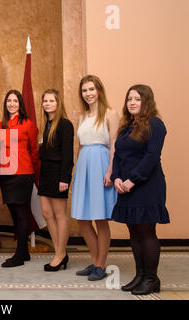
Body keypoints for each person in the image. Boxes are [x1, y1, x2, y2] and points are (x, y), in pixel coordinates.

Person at [110, 85, 169, 295]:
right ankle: (140, 275)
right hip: (125, 186)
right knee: (133, 232)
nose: (132, 102)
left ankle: (151, 279)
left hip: (147, 186)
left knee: (146, 232)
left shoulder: (155, 124)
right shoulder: (127, 127)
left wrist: (132, 180)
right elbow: (118, 155)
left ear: (147, 101)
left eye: (137, 99)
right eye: (129, 99)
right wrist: (116, 177)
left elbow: (151, 157)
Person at [71, 75, 119, 281]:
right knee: (82, 220)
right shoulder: (82, 117)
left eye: (91, 89)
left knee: (100, 218)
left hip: (101, 164)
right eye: (84, 90)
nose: (88, 93)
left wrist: (110, 171)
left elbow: (115, 145)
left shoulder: (110, 113)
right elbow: (79, 146)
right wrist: (76, 174)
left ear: (99, 90)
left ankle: (101, 264)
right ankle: (96, 261)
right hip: (84, 166)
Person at [0, 89, 39, 268]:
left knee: (22, 214)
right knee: (14, 213)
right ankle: (25, 251)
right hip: (5, 174)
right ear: (5, 104)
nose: (12, 104)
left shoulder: (29, 125)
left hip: (23, 174)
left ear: (20, 104)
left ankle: (19, 255)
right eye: (9, 101)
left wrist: (31, 173)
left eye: (15, 101)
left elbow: (34, 151)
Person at [38, 89, 74, 271]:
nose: (48, 104)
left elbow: (68, 155)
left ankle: (60, 254)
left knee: (60, 215)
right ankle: (60, 251)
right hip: (45, 173)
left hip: (58, 174)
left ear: (58, 103)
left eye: (51, 101)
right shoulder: (47, 124)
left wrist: (64, 178)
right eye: (45, 101)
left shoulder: (65, 124)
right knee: (46, 213)